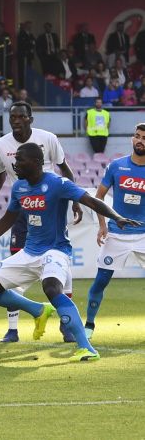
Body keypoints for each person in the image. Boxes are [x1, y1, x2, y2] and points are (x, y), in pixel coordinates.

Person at [0, 143, 140, 362]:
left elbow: (91, 200)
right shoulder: (19, 188)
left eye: (20, 160)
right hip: (29, 251)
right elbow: (8, 219)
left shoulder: (57, 183)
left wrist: (116, 217)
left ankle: (86, 348)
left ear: (35, 162)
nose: (15, 165)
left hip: (56, 250)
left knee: (51, 287)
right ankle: (38, 310)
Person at [0, 101, 82, 343]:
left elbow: (65, 169)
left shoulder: (49, 138)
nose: (17, 120)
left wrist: (75, 201)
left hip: (50, 207)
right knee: (13, 266)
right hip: (21, 212)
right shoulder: (0, 145)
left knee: (59, 264)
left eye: (21, 116)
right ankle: (13, 329)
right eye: (13, 117)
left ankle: (67, 324)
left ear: (30, 118)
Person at [84, 124, 145, 339]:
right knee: (101, 280)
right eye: (137, 136)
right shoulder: (116, 166)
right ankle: (89, 326)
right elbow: (97, 198)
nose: (140, 141)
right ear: (132, 138)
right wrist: (102, 225)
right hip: (117, 233)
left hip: (144, 235)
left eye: (144, 138)